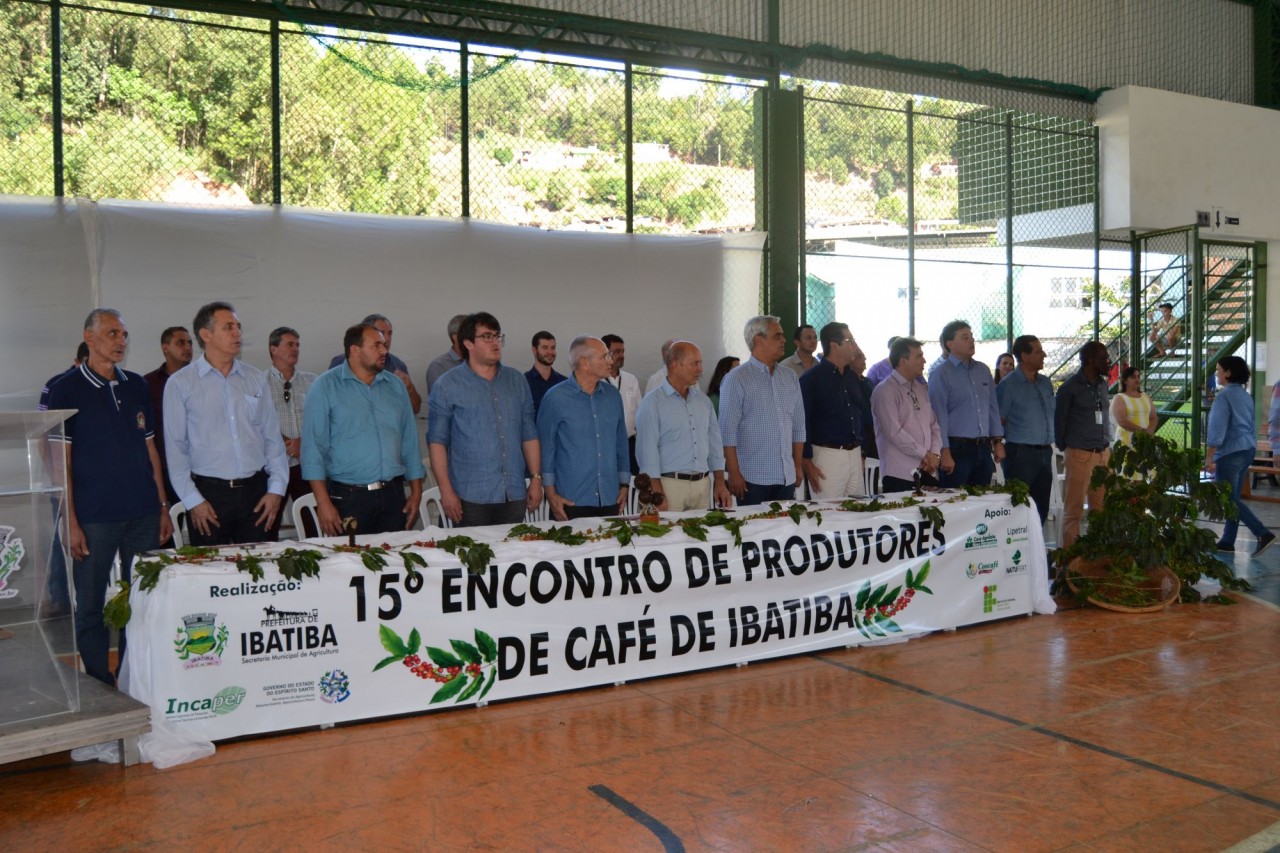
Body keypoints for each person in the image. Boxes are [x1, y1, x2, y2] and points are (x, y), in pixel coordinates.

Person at [44, 309, 173, 687]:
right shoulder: (65, 388)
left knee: (142, 601)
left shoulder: (135, 385)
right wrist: (68, 520)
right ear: (89, 336)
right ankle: (100, 684)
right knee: (91, 605)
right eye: (113, 333)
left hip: (143, 513)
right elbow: (59, 461)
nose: (121, 341)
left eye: (125, 335)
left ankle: (133, 678)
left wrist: (162, 505)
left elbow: (151, 451)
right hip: (94, 517)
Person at [164, 301, 289, 546]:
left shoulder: (254, 378)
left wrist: (276, 490)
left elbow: (273, 439)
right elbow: (175, 450)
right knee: (214, 575)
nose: (237, 333)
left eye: (238, 327)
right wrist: (193, 501)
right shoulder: (181, 384)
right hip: (209, 495)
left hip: (256, 492)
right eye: (228, 327)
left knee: (260, 573)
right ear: (206, 334)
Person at [302, 323, 424, 536]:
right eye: (376, 345)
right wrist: (323, 503)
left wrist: (416, 491)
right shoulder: (325, 387)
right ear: (355, 350)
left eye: (384, 345)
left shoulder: (395, 386)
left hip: (394, 495)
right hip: (348, 497)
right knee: (351, 565)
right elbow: (313, 450)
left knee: (394, 562)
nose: (384, 351)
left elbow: (409, 442)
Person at [428, 312, 542, 528]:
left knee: (511, 558)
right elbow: (437, 443)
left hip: (513, 493)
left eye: (498, 336)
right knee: (472, 559)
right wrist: (446, 490)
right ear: (468, 343)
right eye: (487, 337)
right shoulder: (447, 385)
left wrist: (536, 479)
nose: (495, 342)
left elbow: (529, 434)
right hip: (469, 497)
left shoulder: (516, 380)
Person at [538, 336, 630, 520]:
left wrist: (624, 485)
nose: (610, 361)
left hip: (610, 497)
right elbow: (546, 449)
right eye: (604, 356)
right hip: (571, 501)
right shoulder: (555, 398)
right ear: (585, 363)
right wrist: (550, 494)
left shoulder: (613, 396)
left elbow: (621, 443)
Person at [718, 315, 805, 506]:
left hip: (786, 477)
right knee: (754, 533)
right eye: (777, 336)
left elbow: (798, 427)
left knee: (785, 533)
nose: (783, 340)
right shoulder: (736, 379)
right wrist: (733, 473)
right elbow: (727, 432)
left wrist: (797, 466)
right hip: (751, 479)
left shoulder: (790, 377)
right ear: (759, 339)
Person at [635, 341, 731, 512]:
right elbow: (647, 452)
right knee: (668, 538)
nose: (700, 369)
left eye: (700, 363)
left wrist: (720, 482)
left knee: (702, 538)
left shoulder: (704, 401)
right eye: (694, 363)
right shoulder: (652, 403)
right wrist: (656, 491)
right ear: (674, 364)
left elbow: (715, 444)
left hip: (702, 485)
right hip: (669, 486)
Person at [37, 341, 90, 616]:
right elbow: (42, 435)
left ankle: (100, 596)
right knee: (62, 538)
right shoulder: (59, 385)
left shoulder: (107, 384)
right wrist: (54, 480)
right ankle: (60, 598)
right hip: (62, 477)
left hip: (93, 481)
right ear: (78, 361)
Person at [1206, 356, 1276, 556]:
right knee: (1233, 497)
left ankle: (1262, 533)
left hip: (1230, 451)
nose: (1216, 373)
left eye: (1219, 370)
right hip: (1247, 448)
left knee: (1228, 499)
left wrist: (1209, 456)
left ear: (1228, 373)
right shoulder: (1245, 395)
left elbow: (1217, 429)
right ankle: (1228, 540)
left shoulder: (1224, 397)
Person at [928, 320, 1003, 487]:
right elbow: (938, 416)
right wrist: (944, 451)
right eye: (965, 337)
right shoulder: (940, 374)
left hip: (983, 448)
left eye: (972, 336)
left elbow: (992, 407)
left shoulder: (983, 370)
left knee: (981, 503)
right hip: (956, 448)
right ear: (950, 344)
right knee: (955, 504)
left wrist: (997, 442)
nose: (971, 340)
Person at [1054, 341, 1112, 549]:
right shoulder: (1070, 388)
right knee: (1074, 510)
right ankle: (1070, 559)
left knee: (1101, 508)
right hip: (1079, 454)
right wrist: (1069, 449)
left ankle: (1097, 556)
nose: (1109, 362)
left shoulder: (1103, 385)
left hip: (1103, 453)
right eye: (1104, 358)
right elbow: (1059, 421)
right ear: (1090, 361)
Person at [799, 322, 866, 499]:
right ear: (834, 346)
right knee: (829, 515)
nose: (854, 345)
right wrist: (806, 462)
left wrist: (861, 452)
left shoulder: (852, 377)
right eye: (849, 340)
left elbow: (858, 414)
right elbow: (802, 422)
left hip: (854, 453)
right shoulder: (811, 379)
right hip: (827, 457)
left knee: (857, 514)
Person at [996, 335, 1055, 526]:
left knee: (1041, 509)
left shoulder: (1045, 383)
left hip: (1045, 453)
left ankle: (1037, 554)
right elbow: (999, 420)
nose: (1044, 354)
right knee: (1019, 509)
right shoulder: (1008, 385)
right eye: (1038, 351)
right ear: (1024, 356)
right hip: (1020, 454)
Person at [870, 337, 942, 493]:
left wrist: (934, 455)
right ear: (903, 361)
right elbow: (893, 432)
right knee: (905, 517)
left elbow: (934, 426)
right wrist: (925, 454)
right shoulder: (885, 391)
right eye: (919, 356)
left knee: (932, 517)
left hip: (927, 470)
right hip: (899, 474)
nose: (924, 360)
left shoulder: (920, 388)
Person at [265, 326, 317, 516]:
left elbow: (324, 421)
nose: (295, 349)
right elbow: (253, 422)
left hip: (306, 465)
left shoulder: (312, 382)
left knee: (314, 523)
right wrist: (285, 443)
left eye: (297, 345)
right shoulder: (259, 383)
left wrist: (302, 443)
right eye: (290, 344)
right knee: (268, 523)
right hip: (272, 466)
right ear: (273, 348)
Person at [328, 313, 421, 414]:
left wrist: (410, 388)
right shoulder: (342, 362)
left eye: (389, 333)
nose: (386, 339)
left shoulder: (397, 365)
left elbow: (415, 410)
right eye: (380, 333)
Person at [143, 326, 193, 506]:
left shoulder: (202, 380)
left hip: (199, 467)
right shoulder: (148, 383)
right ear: (165, 347)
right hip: (165, 467)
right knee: (168, 526)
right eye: (181, 343)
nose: (187, 347)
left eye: (189, 343)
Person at [602, 334, 643, 475]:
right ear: (605, 353)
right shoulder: (597, 381)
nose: (621, 355)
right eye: (617, 351)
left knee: (630, 481)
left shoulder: (630, 379)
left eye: (623, 351)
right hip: (605, 445)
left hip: (629, 443)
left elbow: (640, 413)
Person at [1111, 366, 1157, 447]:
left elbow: (1154, 417)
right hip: (1125, 442)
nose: (1137, 379)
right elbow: (1122, 422)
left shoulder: (1146, 396)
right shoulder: (1119, 398)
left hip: (1144, 442)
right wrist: (1143, 432)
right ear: (1125, 381)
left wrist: (1150, 431)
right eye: (1133, 377)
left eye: (1138, 376)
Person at [524, 330, 567, 417]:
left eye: (553, 348)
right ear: (534, 350)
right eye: (545, 347)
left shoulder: (565, 383)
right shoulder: (523, 382)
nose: (550, 352)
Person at [425, 313, 468, 394]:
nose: (474, 338)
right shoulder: (438, 366)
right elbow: (439, 401)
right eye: (469, 334)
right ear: (455, 337)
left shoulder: (480, 362)